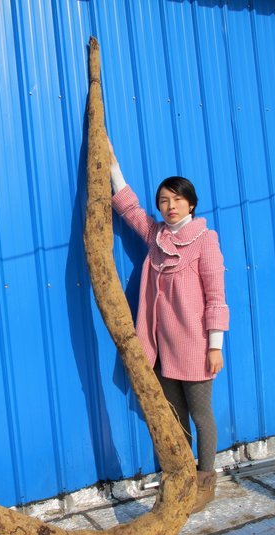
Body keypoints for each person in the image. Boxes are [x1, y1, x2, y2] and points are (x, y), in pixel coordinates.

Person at [108, 139, 229, 513]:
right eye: (164, 201)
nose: (170, 206)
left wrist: (215, 346)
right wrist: (110, 162)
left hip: (196, 348)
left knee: (200, 415)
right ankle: (182, 478)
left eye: (177, 199)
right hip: (163, 349)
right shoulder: (157, 238)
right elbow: (129, 209)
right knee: (174, 420)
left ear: (191, 203)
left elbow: (215, 296)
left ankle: (206, 480)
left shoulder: (204, 241)